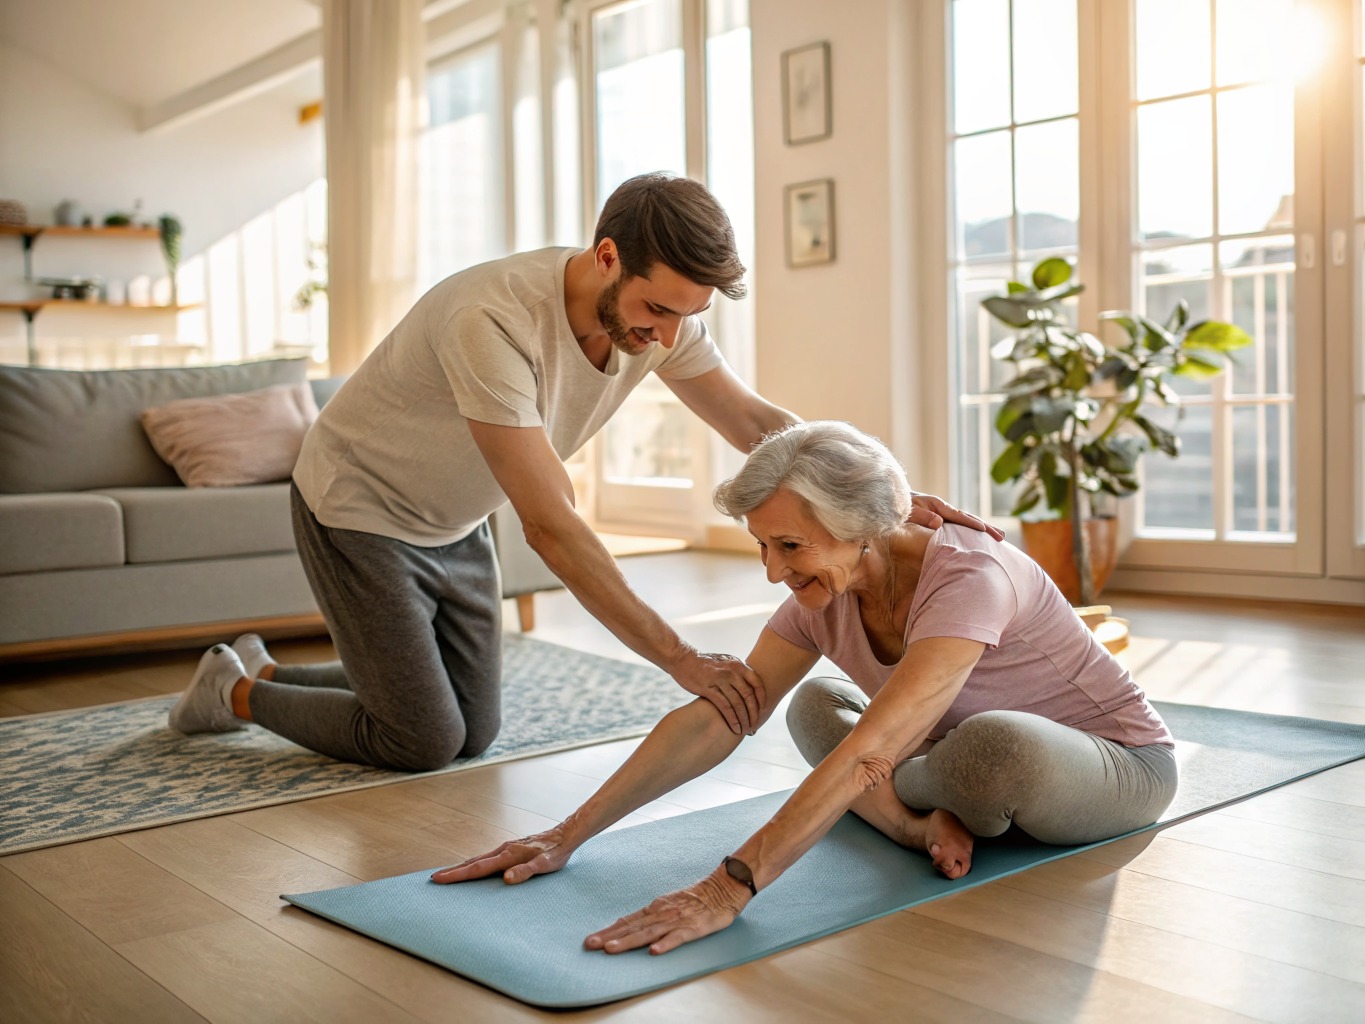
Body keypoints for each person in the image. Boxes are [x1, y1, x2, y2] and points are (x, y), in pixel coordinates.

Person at [167, 174, 993, 770]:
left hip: (455, 516)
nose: (668, 337)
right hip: (360, 506)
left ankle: (276, 667)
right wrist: (678, 657)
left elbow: (753, 422)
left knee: (473, 730)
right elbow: (552, 525)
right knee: (421, 741)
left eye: (688, 317)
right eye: (658, 310)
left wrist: (877, 493)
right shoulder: (491, 319)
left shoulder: (661, 320)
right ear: (605, 257)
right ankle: (236, 692)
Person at [433, 420, 1177, 957]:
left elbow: (866, 753)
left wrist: (728, 887)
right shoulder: (824, 595)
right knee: (814, 702)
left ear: (863, 525)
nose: (770, 570)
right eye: (762, 545)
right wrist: (565, 833)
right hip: (932, 750)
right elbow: (719, 718)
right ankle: (919, 823)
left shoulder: (969, 577)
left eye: (789, 545)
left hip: (1112, 767)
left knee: (986, 744)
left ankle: (904, 797)